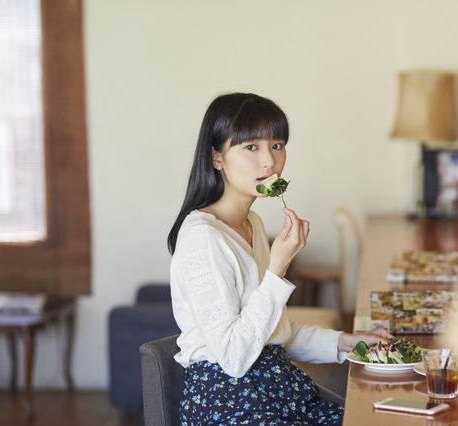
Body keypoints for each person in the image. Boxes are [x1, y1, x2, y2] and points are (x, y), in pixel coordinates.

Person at [167, 92, 391, 426]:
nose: (269, 162)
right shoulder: (203, 238)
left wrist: (348, 342)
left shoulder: (253, 225)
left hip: (278, 386)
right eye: (250, 147)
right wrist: (277, 269)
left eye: (277, 145)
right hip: (228, 399)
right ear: (216, 158)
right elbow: (234, 358)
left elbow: (274, 332)